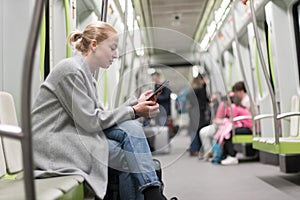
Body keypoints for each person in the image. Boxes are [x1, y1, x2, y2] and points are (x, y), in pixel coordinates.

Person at [31, 21, 168, 200]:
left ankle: (152, 194)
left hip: (73, 137)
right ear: (94, 45)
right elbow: (91, 121)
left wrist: (135, 104)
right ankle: (153, 194)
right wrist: (133, 110)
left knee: (131, 130)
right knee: (127, 156)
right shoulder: (71, 71)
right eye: (112, 48)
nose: (116, 55)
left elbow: (99, 117)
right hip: (54, 145)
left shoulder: (87, 75)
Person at [214, 94, 252, 165]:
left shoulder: (233, 107)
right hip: (246, 127)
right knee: (227, 132)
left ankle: (232, 155)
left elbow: (231, 120)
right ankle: (227, 155)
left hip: (247, 128)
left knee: (228, 133)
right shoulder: (238, 106)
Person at [186, 75, 211, 156]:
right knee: (200, 129)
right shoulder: (201, 89)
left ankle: (194, 149)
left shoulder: (191, 90)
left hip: (193, 112)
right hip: (200, 112)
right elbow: (204, 100)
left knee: (194, 130)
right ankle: (198, 149)